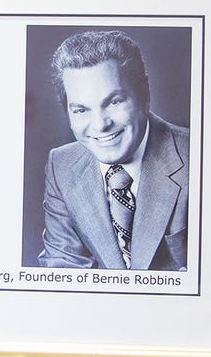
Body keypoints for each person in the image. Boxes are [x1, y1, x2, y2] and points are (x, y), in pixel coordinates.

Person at [38, 30, 189, 271]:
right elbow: (63, 268)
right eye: (81, 110)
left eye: (114, 101)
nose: (100, 124)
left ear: (144, 96)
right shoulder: (61, 164)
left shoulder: (198, 158)